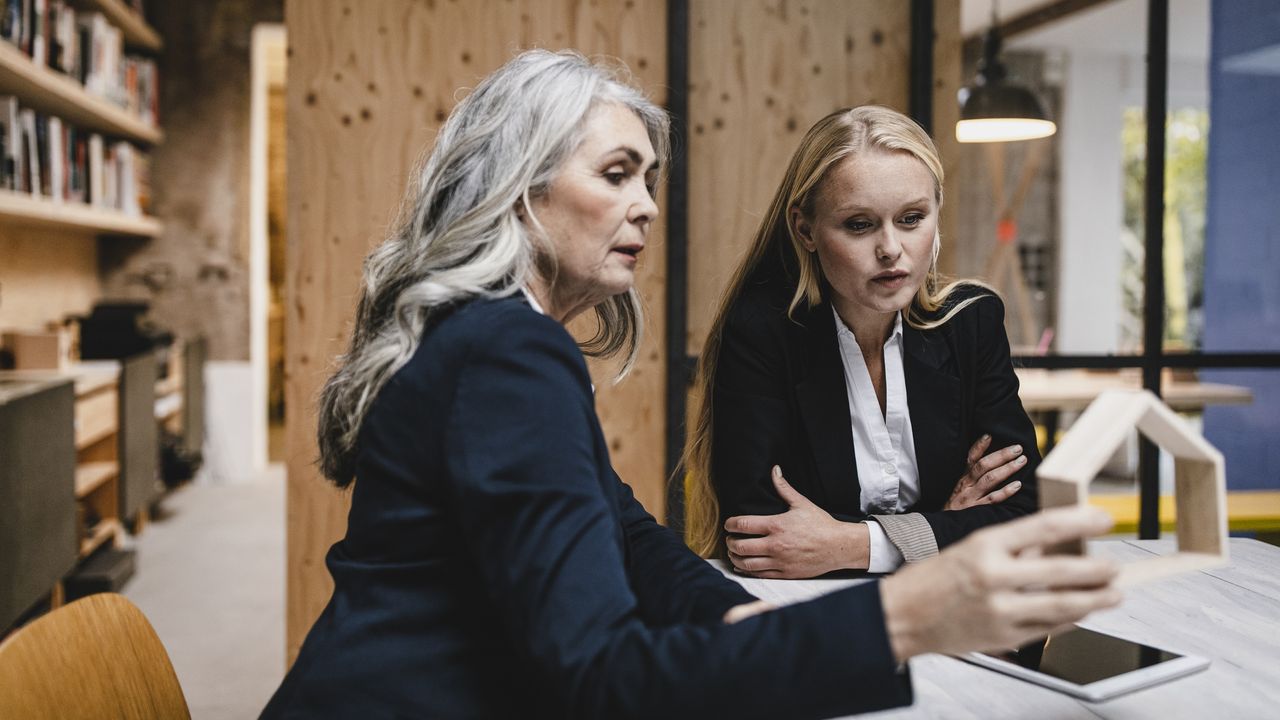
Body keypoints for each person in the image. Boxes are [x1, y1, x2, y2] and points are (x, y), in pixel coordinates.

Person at [260, 51, 1120, 719]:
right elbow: (603, 676)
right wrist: (908, 616)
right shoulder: (507, 356)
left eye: (649, 179)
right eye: (615, 174)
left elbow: (631, 536)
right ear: (520, 188)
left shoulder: (489, 340)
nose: (645, 205)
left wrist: (745, 620)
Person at [684, 106, 1042, 578]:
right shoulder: (763, 333)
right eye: (859, 224)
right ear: (805, 230)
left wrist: (853, 544)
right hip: (811, 617)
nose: (891, 248)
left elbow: (1025, 513)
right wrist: (942, 527)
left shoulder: (972, 322)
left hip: (959, 609)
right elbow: (760, 534)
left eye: (912, 218)